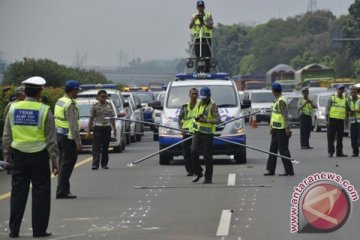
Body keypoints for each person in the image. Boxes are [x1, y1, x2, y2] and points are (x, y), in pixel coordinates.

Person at [2, 76, 59, 238]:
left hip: (18, 155)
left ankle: (14, 230)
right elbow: (51, 140)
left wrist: (7, 156)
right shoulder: (44, 110)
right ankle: (39, 230)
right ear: (40, 92)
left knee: (18, 193)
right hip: (39, 156)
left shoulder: (13, 108)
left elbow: (6, 136)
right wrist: (55, 162)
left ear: (25, 91)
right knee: (41, 193)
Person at [54, 80, 82, 199]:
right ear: (72, 90)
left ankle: (64, 190)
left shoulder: (60, 101)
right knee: (67, 166)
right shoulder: (70, 104)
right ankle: (62, 191)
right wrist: (78, 141)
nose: (78, 92)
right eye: (77, 90)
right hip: (69, 138)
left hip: (59, 136)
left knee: (62, 164)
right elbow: (73, 125)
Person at [191, 87, 221, 184]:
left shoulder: (213, 105)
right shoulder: (199, 102)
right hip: (197, 131)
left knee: (207, 155)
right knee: (193, 151)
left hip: (208, 134)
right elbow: (195, 113)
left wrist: (206, 120)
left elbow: (218, 120)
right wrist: (197, 118)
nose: (203, 99)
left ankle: (208, 178)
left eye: (205, 98)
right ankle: (198, 172)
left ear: (209, 96)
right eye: (202, 97)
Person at [264, 82, 294, 176]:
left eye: (272, 90)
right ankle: (271, 170)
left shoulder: (281, 101)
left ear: (274, 91)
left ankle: (289, 171)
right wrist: (272, 127)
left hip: (282, 129)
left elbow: (285, 116)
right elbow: (274, 115)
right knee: (273, 149)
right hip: (276, 128)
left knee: (283, 150)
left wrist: (287, 129)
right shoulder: (276, 100)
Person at [87, 90, 116, 170]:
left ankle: (104, 164)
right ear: (98, 97)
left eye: (105, 96)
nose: (104, 98)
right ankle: (95, 164)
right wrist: (88, 131)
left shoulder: (109, 106)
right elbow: (91, 119)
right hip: (98, 128)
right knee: (96, 147)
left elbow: (112, 118)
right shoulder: (95, 106)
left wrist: (114, 129)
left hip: (107, 128)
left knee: (105, 147)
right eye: (102, 96)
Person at [178, 88, 199, 176]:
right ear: (189, 95)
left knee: (194, 152)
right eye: (192, 94)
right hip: (186, 131)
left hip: (196, 131)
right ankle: (190, 170)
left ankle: (196, 169)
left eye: (195, 94)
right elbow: (180, 119)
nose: (194, 95)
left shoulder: (200, 106)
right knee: (186, 152)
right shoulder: (185, 106)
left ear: (197, 95)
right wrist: (181, 129)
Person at [189, 0, 213, 73]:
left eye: (202, 6)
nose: (200, 8)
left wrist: (204, 23)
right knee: (198, 56)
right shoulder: (194, 16)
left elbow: (211, 26)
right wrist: (195, 19)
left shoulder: (208, 15)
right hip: (197, 38)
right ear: (197, 7)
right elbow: (190, 26)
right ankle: (198, 70)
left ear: (204, 7)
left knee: (206, 56)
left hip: (206, 38)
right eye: (199, 6)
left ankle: (207, 71)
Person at [326, 85, 348, 157]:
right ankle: (331, 152)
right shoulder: (332, 97)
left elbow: (346, 110)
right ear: (337, 90)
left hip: (341, 120)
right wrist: (327, 120)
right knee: (331, 137)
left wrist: (346, 121)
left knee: (340, 137)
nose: (341, 91)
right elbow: (327, 109)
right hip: (332, 120)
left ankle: (339, 152)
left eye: (342, 89)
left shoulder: (345, 99)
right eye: (340, 89)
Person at [347, 85, 360, 157]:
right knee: (353, 139)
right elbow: (347, 110)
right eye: (351, 92)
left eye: (354, 92)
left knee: (359, 140)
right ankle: (355, 152)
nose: (353, 93)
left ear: (357, 92)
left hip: (359, 122)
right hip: (352, 122)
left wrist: (356, 110)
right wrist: (349, 112)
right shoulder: (349, 100)